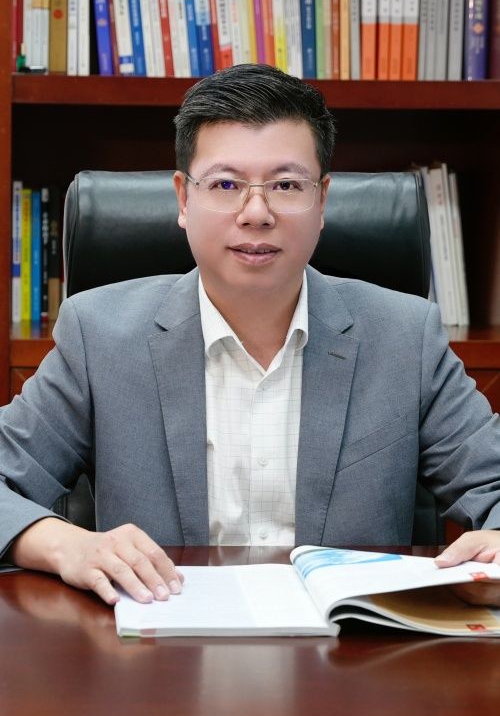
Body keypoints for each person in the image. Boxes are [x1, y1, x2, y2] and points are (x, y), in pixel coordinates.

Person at [1, 64, 499, 607]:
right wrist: (66, 544)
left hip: (355, 648)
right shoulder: (100, 336)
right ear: (183, 200)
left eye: (286, 185)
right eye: (225, 185)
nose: (256, 213)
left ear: (322, 201)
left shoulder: (404, 338)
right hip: (161, 641)